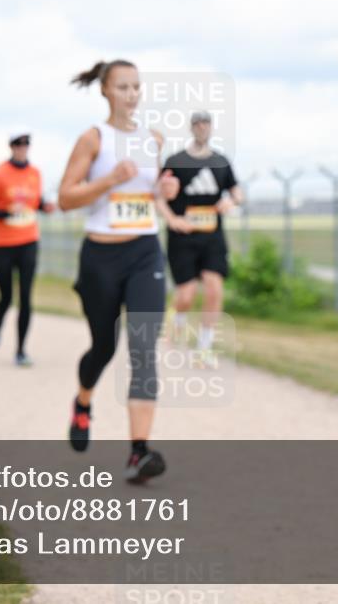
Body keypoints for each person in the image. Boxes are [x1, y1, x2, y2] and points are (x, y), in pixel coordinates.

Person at [58, 59, 180, 483]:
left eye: (136, 87)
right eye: (123, 87)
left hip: (145, 252)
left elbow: (153, 197)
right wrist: (108, 179)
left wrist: (166, 192)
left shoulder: (153, 139)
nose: (131, 94)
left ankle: (138, 453)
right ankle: (83, 400)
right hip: (101, 258)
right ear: (106, 92)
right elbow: (66, 198)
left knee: (144, 350)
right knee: (103, 348)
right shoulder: (94, 139)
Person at [158, 111, 242, 361]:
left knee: (215, 289)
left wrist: (232, 201)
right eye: (198, 123)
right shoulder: (175, 161)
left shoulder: (221, 162)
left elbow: (237, 191)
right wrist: (173, 220)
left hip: (212, 235)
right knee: (186, 294)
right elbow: (159, 196)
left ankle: (204, 347)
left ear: (211, 128)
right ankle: (177, 319)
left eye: (206, 123)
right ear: (191, 127)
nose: (202, 127)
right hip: (183, 237)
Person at [0, 131, 56, 366]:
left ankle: (21, 350)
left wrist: (45, 206)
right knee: (7, 296)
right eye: (18, 144)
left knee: (25, 297)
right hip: (0, 244)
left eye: (26, 144)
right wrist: (6, 212)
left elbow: (35, 203)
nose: (22, 148)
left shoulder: (36, 174)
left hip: (27, 240)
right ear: (11, 147)